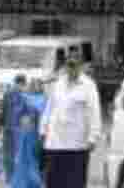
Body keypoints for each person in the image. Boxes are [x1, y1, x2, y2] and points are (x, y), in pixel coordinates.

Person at [39, 55, 102, 188]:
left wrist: (93, 137)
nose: (71, 69)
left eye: (74, 65)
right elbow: (50, 108)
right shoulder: (58, 84)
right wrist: (43, 129)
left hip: (77, 145)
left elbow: (94, 112)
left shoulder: (88, 85)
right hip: (55, 143)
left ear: (80, 67)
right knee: (53, 182)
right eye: (69, 65)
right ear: (65, 66)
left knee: (74, 183)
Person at [3, 77, 46, 188]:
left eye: (39, 84)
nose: (37, 86)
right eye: (34, 84)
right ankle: (27, 180)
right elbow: (18, 114)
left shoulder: (45, 98)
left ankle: (37, 178)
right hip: (28, 132)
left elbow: (47, 114)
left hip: (40, 131)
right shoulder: (25, 97)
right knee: (25, 156)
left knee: (37, 156)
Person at [0, 74, 28, 178]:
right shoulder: (20, 94)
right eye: (22, 84)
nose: (22, 86)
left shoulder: (10, 93)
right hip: (14, 128)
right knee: (14, 152)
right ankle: (13, 174)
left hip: (12, 127)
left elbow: (3, 110)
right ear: (21, 83)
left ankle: (11, 174)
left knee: (11, 152)